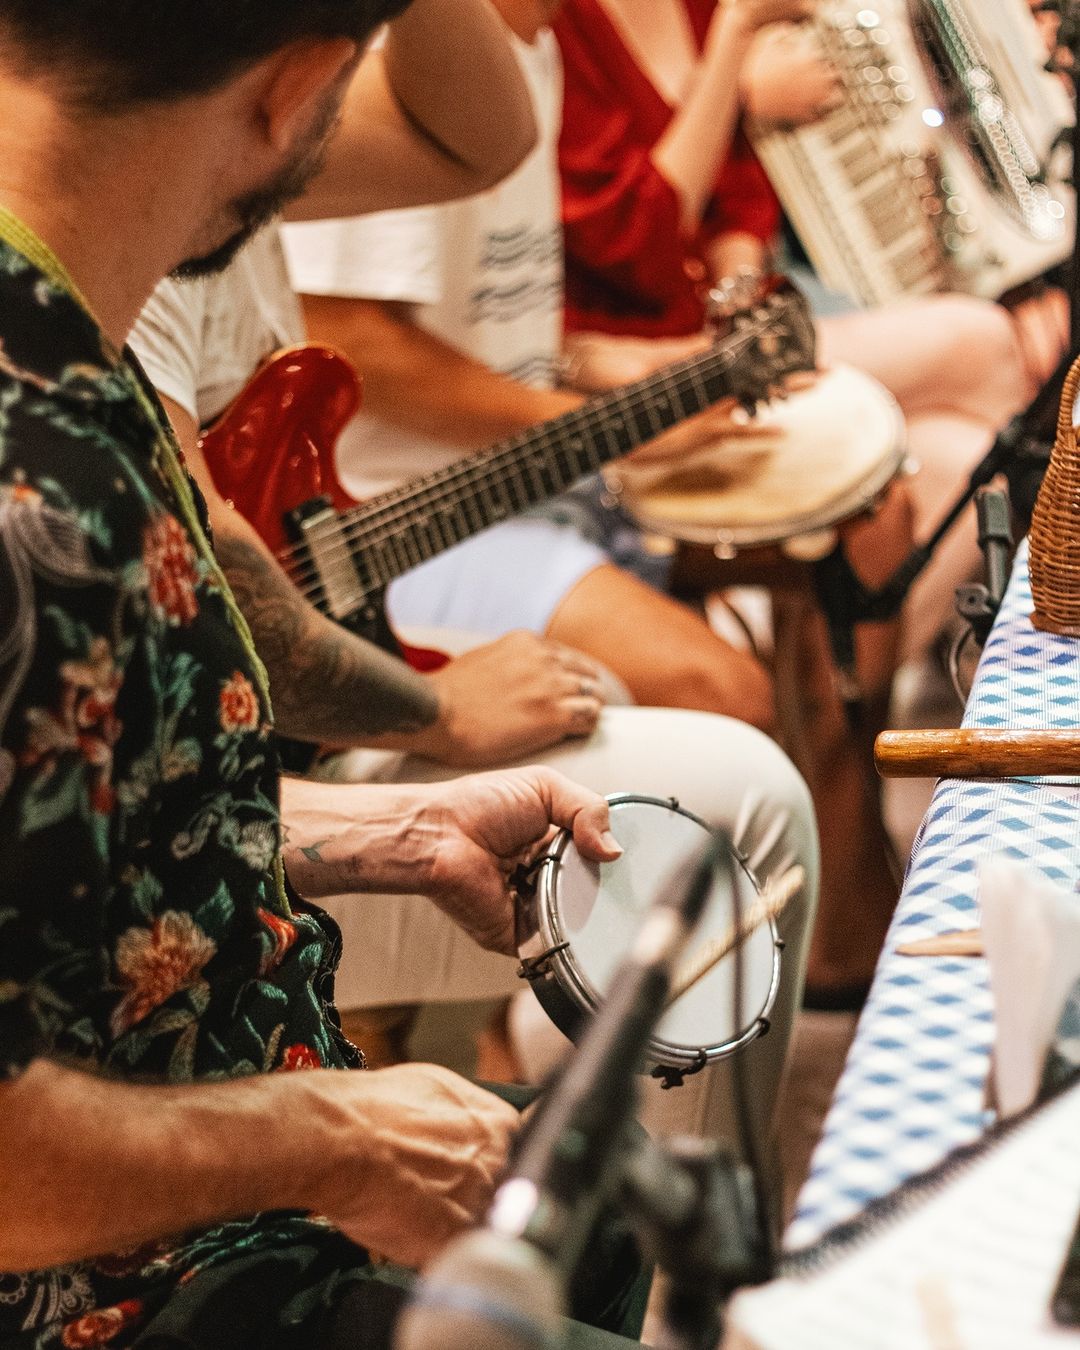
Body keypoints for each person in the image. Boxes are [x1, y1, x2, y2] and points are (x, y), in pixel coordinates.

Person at [0, 2, 653, 1345]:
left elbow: (69, 825)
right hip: (125, 1289)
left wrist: (394, 830)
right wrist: (339, 1138)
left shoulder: (73, 339)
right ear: (295, 96)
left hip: (224, 1183)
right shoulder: (37, 498)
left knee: (616, 1207)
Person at [282, 0, 910, 1003]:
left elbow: (514, 318)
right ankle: (622, 1059)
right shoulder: (414, 61)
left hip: (535, 476)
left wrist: (621, 376)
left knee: (866, 523)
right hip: (404, 517)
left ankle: (848, 936)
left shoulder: (535, 45)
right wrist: (566, 418)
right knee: (725, 699)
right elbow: (348, 336)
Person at [552, 0, 1069, 656]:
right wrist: (732, 54)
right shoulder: (561, 23)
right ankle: (838, 702)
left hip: (726, 328)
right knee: (987, 347)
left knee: (962, 458)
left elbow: (742, 195)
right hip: (628, 361)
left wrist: (736, 287)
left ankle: (839, 703)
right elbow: (630, 239)